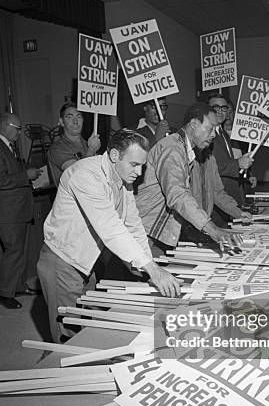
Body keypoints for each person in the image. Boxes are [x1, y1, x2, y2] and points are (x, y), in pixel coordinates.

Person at [37, 129, 180, 342]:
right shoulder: (85, 175)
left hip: (87, 259)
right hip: (63, 261)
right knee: (68, 337)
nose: (139, 172)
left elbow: (133, 225)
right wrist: (153, 270)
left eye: (142, 165)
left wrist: (149, 264)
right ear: (114, 155)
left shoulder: (123, 178)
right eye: (134, 164)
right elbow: (111, 228)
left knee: (88, 325)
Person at [135, 103, 251, 255]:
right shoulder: (172, 149)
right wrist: (212, 229)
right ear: (194, 124)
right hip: (146, 233)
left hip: (159, 232)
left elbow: (214, 191)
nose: (214, 134)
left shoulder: (187, 149)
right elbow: (177, 194)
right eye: (210, 128)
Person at [0, 112, 41, 309]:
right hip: (8, 213)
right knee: (13, 252)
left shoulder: (9, 147)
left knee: (20, 252)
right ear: (5, 126)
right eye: (16, 128)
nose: (18, 133)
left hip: (19, 210)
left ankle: (18, 286)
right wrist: (26, 175)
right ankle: (6, 293)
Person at [208, 93, 254, 206]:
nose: (220, 111)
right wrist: (237, 163)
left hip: (230, 194)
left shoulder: (223, 133)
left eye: (224, 108)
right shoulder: (205, 133)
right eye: (215, 107)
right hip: (215, 197)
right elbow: (208, 167)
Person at [47, 102, 101, 186]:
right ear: (61, 122)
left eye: (79, 116)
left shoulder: (88, 144)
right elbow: (77, 176)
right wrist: (91, 151)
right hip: (72, 197)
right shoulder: (57, 148)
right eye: (69, 117)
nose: (75, 121)